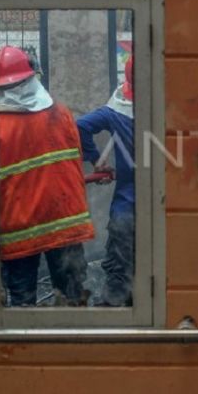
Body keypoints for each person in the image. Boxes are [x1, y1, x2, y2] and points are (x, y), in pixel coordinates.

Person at [0, 45, 94, 306]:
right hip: (65, 224)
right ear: (32, 77)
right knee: (71, 301)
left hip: (18, 232)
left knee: (22, 309)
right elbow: (75, 160)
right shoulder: (61, 114)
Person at [76, 56, 135, 307]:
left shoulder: (115, 111)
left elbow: (80, 126)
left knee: (120, 266)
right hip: (168, 204)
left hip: (127, 204)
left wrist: (94, 158)